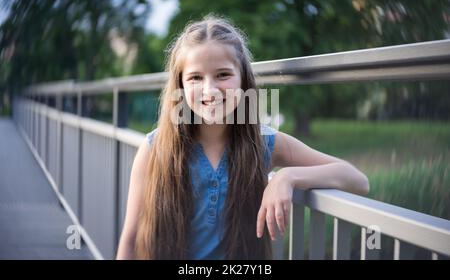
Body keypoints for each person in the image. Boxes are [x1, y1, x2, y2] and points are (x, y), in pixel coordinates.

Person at [116, 14, 369, 260]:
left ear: (243, 80)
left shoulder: (264, 144)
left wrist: (287, 177)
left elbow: (356, 179)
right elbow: (130, 239)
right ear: (180, 85)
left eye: (223, 75)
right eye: (195, 77)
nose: (210, 90)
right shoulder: (154, 149)